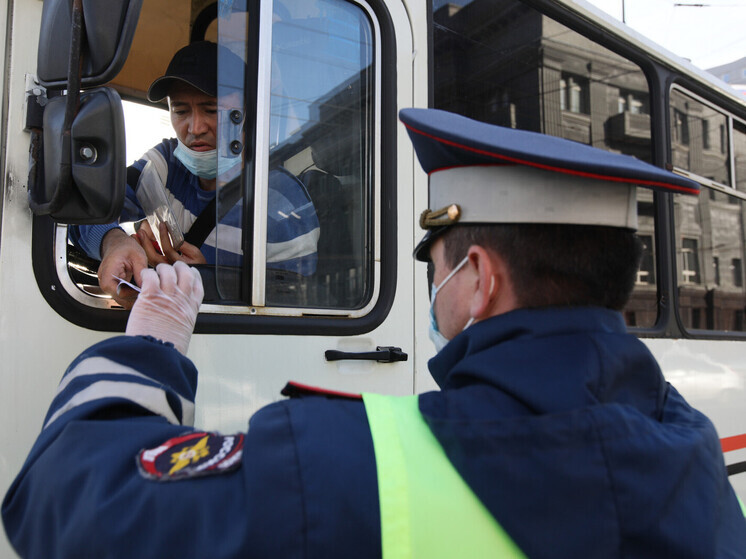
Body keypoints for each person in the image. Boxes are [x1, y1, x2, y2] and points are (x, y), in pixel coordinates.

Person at [4, 109, 746, 558]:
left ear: (479, 277)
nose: (435, 283)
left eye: (437, 261)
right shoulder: (693, 458)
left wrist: (151, 347)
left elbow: (66, 495)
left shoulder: (346, 459)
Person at [69, 41, 320, 307]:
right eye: (180, 111)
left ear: (247, 113)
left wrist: (208, 283)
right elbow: (83, 207)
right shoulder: (164, 164)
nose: (195, 128)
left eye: (211, 110)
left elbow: (293, 316)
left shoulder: (284, 204)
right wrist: (114, 242)